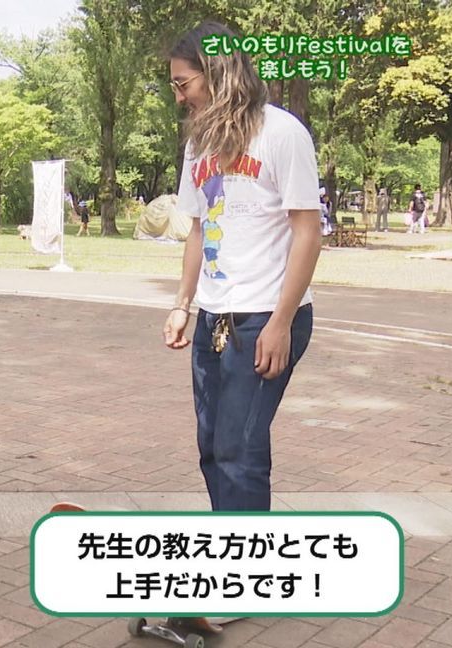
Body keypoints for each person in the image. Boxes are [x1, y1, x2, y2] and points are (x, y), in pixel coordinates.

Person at [162, 21, 322, 513]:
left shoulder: (282, 133)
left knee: (239, 450)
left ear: (217, 73)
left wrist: (281, 323)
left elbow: (307, 232)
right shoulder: (199, 145)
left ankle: (247, 555)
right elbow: (198, 230)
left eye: (183, 84)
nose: (179, 98)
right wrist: (183, 305)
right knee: (212, 447)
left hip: (266, 317)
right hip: (213, 316)